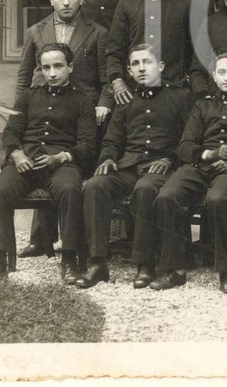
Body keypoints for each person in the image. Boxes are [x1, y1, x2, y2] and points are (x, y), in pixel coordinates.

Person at [150, 50, 227, 293]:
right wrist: (209, 154)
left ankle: (225, 271)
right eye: (221, 72)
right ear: (214, 77)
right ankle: (175, 269)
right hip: (201, 165)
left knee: (218, 199)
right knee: (167, 195)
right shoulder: (202, 106)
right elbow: (185, 145)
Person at [76, 45, 194, 289]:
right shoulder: (126, 100)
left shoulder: (181, 96)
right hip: (128, 165)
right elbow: (112, 140)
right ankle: (97, 263)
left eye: (147, 62)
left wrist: (170, 159)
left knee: (146, 189)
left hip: (164, 167)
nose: (142, 68)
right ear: (129, 70)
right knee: (95, 186)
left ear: (160, 66)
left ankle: (145, 263)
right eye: (136, 64)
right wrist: (107, 158)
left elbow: (189, 139)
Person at [12, 0, 112, 259]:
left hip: (80, 111)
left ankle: (76, 240)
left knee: (70, 173)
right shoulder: (36, 31)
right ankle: (41, 238)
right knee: (39, 155)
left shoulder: (97, 32)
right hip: (40, 107)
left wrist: (103, 104)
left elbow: (105, 78)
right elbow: (23, 77)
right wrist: (18, 112)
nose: (66, 2)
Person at [0, 43, 95, 283]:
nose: (52, 73)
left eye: (58, 66)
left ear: (70, 67)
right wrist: (17, 155)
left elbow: (87, 144)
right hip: (26, 163)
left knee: (69, 190)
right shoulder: (28, 97)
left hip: (61, 165)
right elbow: (11, 132)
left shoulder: (83, 101)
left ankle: (69, 260)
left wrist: (62, 157)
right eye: (46, 67)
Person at [106, 0, 196, 105]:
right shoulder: (126, 5)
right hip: (135, 92)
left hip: (175, 90)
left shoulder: (186, 3)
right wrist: (117, 81)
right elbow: (114, 50)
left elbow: (195, 51)